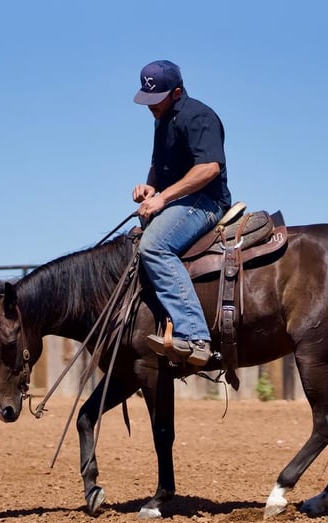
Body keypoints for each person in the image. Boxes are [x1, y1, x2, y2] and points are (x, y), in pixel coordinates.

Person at [132, 60, 232, 367]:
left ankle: (195, 337)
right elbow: (157, 164)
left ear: (176, 92)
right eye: (147, 99)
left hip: (206, 202)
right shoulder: (160, 119)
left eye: (156, 98)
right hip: (177, 202)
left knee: (154, 246)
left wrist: (162, 198)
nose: (150, 106)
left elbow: (209, 168)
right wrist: (149, 188)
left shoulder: (199, 116)